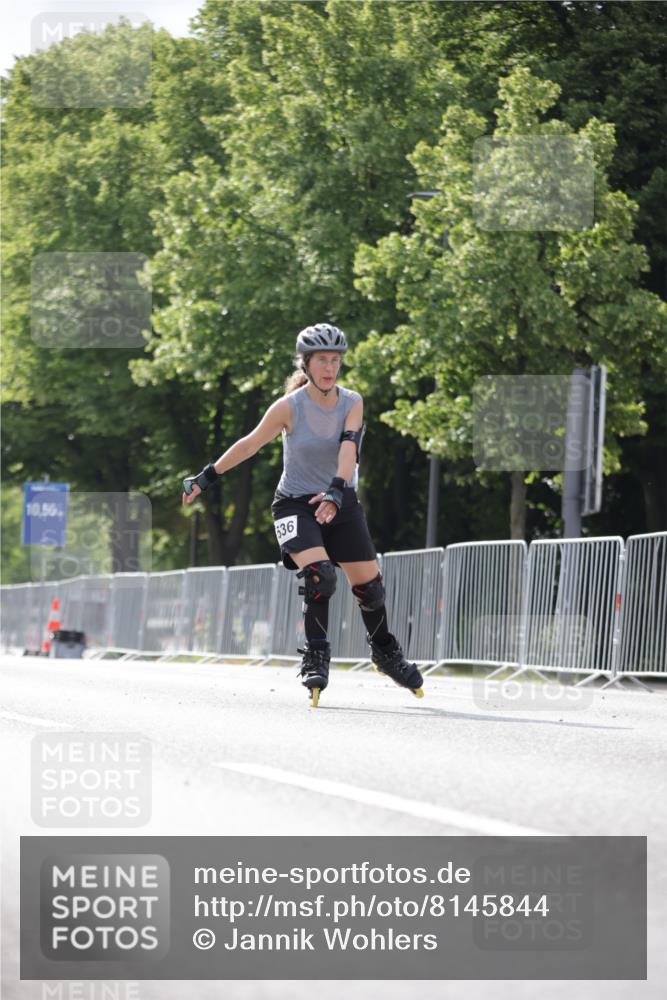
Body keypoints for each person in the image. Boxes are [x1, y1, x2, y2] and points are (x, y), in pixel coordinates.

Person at [182, 323, 424, 705]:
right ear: (306, 364)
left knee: (370, 589)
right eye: (321, 360)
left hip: (339, 498)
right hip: (294, 504)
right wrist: (206, 477)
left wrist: (335, 492)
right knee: (320, 575)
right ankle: (316, 655)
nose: (329, 368)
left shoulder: (352, 402)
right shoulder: (289, 408)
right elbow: (249, 445)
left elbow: (349, 451)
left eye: (335, 360)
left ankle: (384, 651)